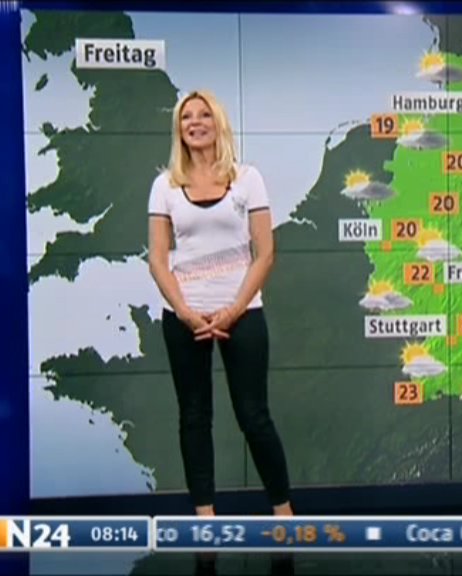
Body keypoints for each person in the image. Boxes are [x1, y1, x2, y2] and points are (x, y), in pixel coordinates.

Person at [147, 90, 293, 517]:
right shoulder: (165, 186)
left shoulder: (248, 178)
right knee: (194, 416)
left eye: (204, 115)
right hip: (184, 317)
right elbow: (158, 259)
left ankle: (285, 513)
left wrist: (233, 310)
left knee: (254, 415)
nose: (195, 122)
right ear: (179, 129)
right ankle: (205, 517)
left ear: (219, 123)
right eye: (186, 117)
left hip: (243, 313)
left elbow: (265, 253)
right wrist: (186, 312)